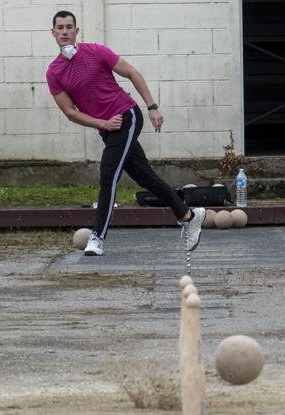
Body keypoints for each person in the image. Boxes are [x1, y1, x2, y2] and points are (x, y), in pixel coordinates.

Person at [46, 10, 205, 256]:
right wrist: (102, 123)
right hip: (108, 127)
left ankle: (97, 238)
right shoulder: (54, 72)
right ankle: (188, 215)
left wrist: (152, 107)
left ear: (76, 31)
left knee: (107, 176)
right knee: (146, 177)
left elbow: (132, 73)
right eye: (60, 28)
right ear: (53, 32)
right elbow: (70, 112)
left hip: (127, 116)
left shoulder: (97, 51)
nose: (64, 32)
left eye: (69, 27)